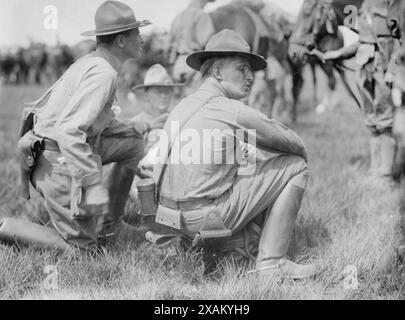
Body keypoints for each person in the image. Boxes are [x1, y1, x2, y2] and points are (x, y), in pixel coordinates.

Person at [153, 29, 317, 279]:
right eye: (242, 68)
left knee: (251, 164)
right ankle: (272, 263)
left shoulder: (183, 105)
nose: (250, 76)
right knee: (294, 166)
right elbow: (296, 146)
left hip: (170, 219)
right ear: (218, 72)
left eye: (251, 70)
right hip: (204, 218)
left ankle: (231, 248)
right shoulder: (233, 110)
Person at [28, 1, 167, 250]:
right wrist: (93, 184)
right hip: (57, 160)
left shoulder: (94, 63)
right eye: (136, 33)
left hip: (63, 151)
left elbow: (99, 125)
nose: (142, 39)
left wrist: (144, 126)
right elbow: (68, 131)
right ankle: (9, 230)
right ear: (121, 41)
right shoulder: (103, 74)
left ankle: (109, 223)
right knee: (84, 251)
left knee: (134, 144)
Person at [315, 0, 401, 181]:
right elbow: (361, 43)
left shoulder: (395, 4)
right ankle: (374, 170)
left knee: (385, 122)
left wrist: (392, 70)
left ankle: (386, 176)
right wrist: (337, 54)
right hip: (363, 71)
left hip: (384, 71)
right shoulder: (364, 7)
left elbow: (402, 43)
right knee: (371, 122)